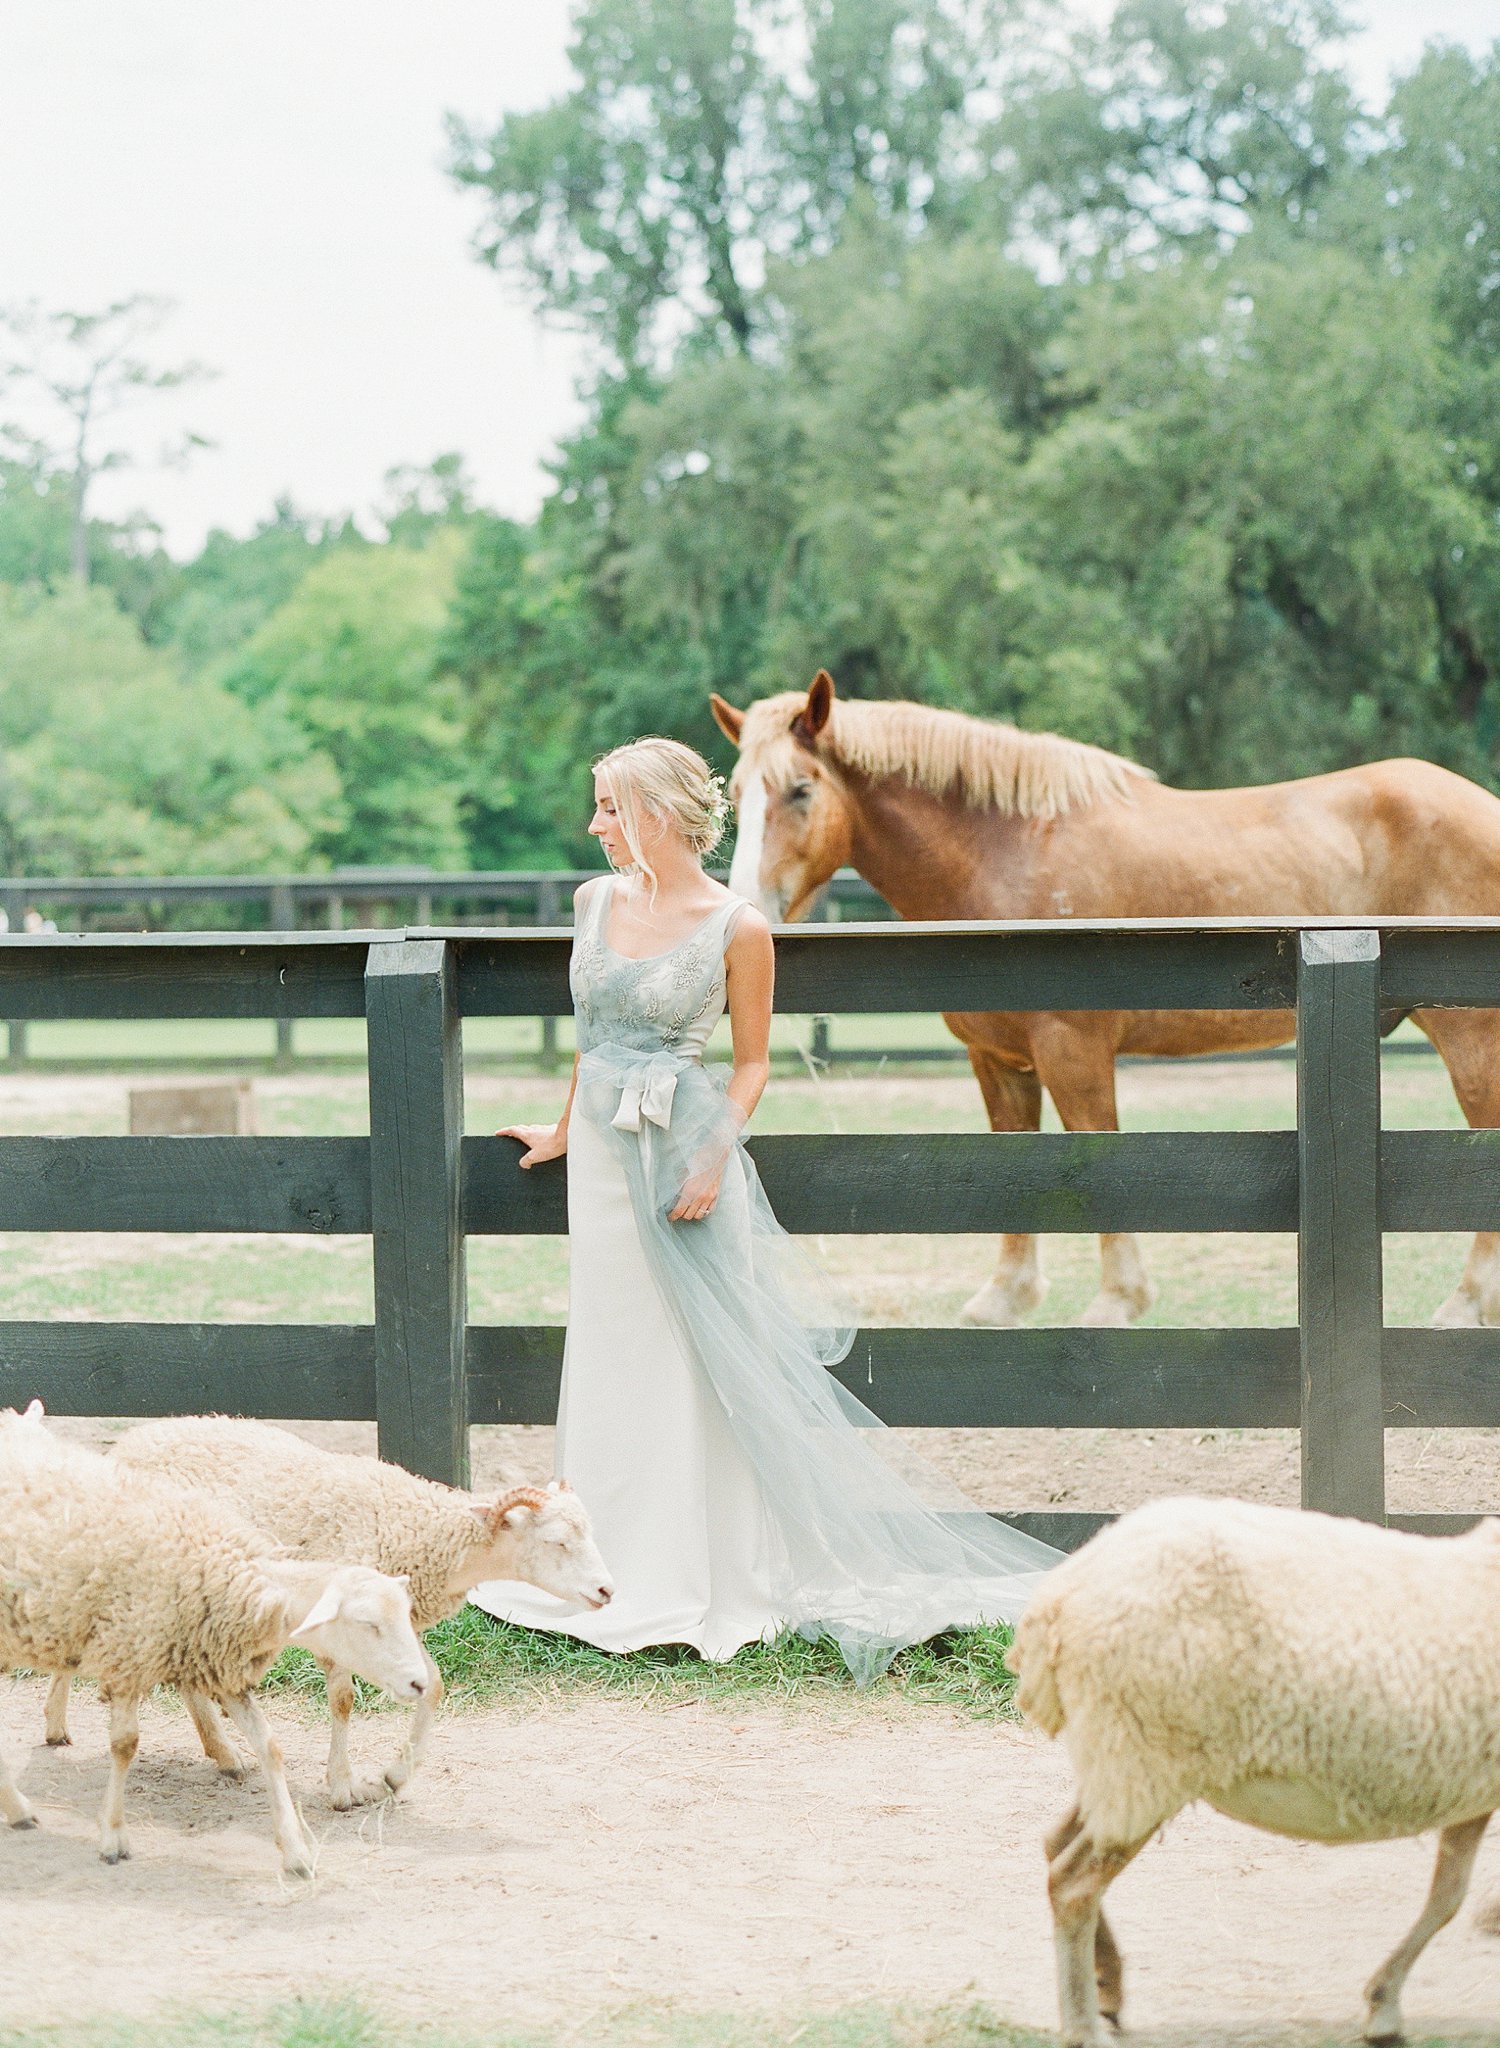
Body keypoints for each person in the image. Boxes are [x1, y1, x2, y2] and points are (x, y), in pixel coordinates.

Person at [470, 737, 1058, 1684]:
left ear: (659, 813)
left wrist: (712, 1155)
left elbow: (750, 1066)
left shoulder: (739, 927)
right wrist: (562, 1127)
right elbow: (593, 1039)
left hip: (685, 1158)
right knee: (613, 1350)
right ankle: (596, 1563)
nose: (595, 827)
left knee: (694, 1368)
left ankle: (698, 1570)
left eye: (610, 810)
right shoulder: (592, 903)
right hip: (602, 1166)